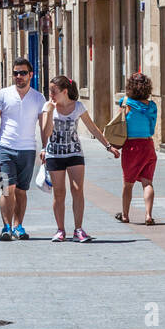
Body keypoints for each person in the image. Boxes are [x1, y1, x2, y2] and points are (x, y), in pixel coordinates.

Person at [40, 76, 119, 242]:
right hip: (54, 154)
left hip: (75, 153)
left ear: (64, 91)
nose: (51, 94)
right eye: (50, 91)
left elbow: (93, 128)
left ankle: (78, 229)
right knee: (59, 193)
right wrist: (49, 111)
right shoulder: (48, 107)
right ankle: (60, 230)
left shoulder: (78, 106)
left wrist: (108, 146)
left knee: (77, 190)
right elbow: (46, 133)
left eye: (54, 91)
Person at [0, 58, 46, 240]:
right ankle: (6, 227)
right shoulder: (3, 94)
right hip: (5, 147)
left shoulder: (38, 97)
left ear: (31, 75)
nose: (19, 76)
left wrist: (46, 147)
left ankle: (18, 226)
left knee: (21, 190)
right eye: (16, 73)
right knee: (7, 188)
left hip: (28, 150)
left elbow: (44, 125)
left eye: (23, 73)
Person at [113, 72, 159, 226]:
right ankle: (148, 215)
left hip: (131, 146)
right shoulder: (152, 106)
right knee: (147, 182)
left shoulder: (125, 103)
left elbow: (120, 123)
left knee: (128, 183)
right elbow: (152, 130)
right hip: (147, 145)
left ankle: (125, 215)